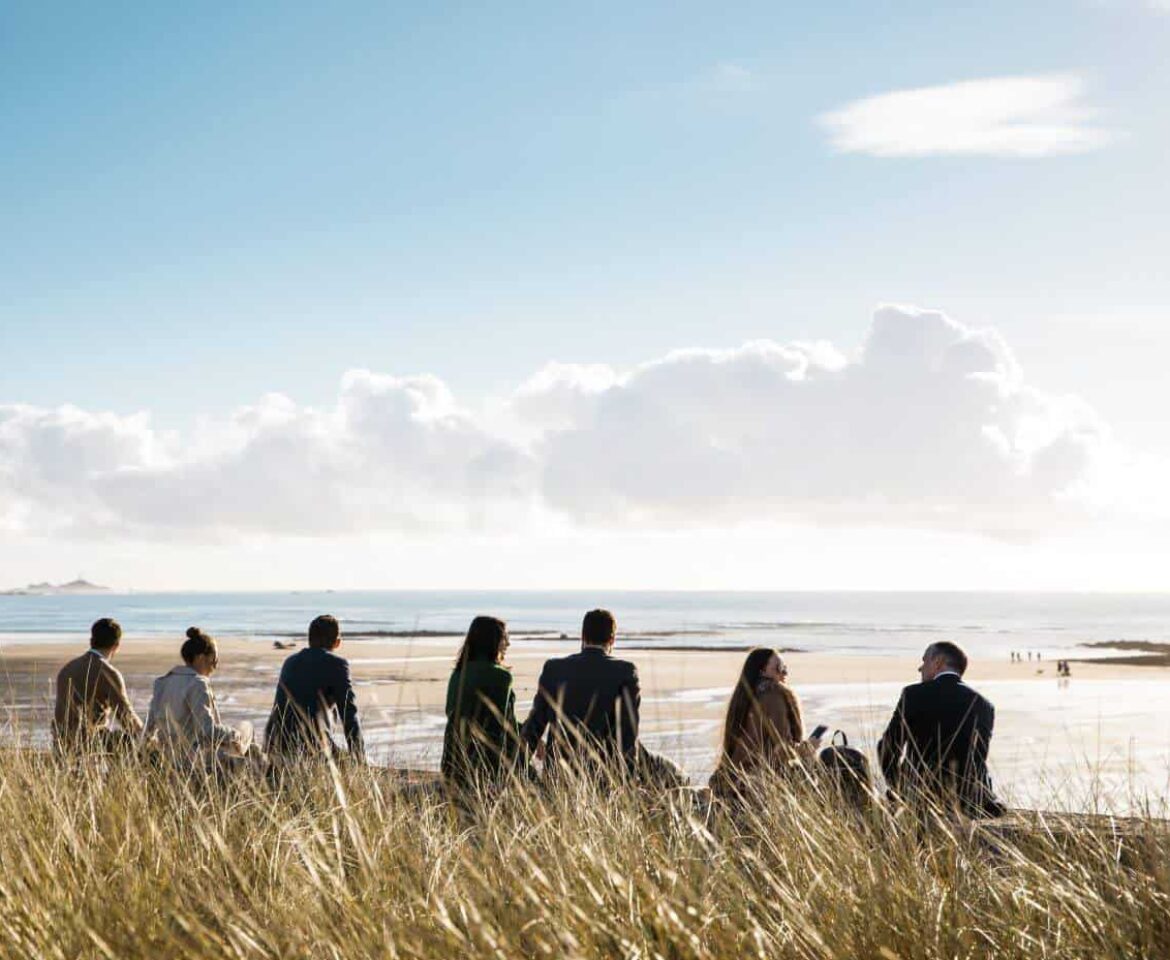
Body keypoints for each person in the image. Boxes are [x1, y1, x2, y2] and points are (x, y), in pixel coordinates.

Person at [877, 641, 1004, 818]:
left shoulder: (913, 695)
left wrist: (898, 787)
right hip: (968, 801)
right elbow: (978, 758)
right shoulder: (984, 705)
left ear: (938, 662)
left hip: (920, 796)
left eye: (924, 661)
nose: (920, 668)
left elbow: (888, 747)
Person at [521, 609, 640, 776]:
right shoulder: (625, 672)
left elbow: (535, 725)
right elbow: (627, 735)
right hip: (604, 775)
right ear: (612, 639)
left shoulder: (554, 669)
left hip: (558, 774)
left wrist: (517, 767)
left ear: (583, 636)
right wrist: (628, 781)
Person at [708, 648, 819, 798]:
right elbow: (781, 751)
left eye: (785, 668)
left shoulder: (747, 696)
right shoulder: (773, 696)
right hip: (758, 787)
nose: (784, 673)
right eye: (779, 668)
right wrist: (807, 748)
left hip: (735, 783)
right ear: (762, 671)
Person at [265, 615, 364, 762]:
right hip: (310, 751)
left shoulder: (290, 662)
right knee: (334, 709)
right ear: (337, 643)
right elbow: (349, 715)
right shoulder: (337, 665)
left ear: (309, 639)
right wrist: (359, 758)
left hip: (276, 746)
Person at [440, 616, 523, 787]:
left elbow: (451, 713)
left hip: (452, 762)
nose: (508, 643)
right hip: (487, 767)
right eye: (504, 638)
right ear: (492, 641)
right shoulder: (501, 676)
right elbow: (503, 726)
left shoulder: (458, 674)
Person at [144, 627, 243, 769]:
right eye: (214, 658)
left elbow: (149, 729)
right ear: (201, 658)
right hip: (193, 762)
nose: (216, 664)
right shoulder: (198, 684)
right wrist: (234, 735)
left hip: (168, 759)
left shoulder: (162, 682)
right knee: (246, 730)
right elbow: (207, 731)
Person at [53, 618, 144, 752]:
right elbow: (126, 717)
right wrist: (148, 737)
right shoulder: (108, 673)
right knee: (140, 746)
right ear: (116, 646)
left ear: (92, 641)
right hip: (91, 745)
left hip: (61, 742)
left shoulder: (67, 669)